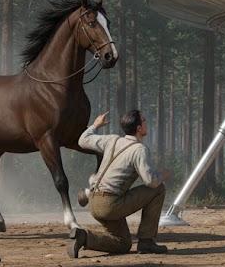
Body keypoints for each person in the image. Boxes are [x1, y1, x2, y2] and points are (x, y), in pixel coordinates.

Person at [68, 109, 172, 258]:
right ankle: (146, 241)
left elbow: (83, 140)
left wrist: (95, 125)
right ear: (139, 128)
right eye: (144, 121)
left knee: (123, 243)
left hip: (94, 202)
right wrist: (162, 175)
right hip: (111, 205)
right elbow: (151, 181)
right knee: (159, 189)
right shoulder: (139, 150)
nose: (146, 123)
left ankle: (83, 237)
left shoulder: (112, 140)